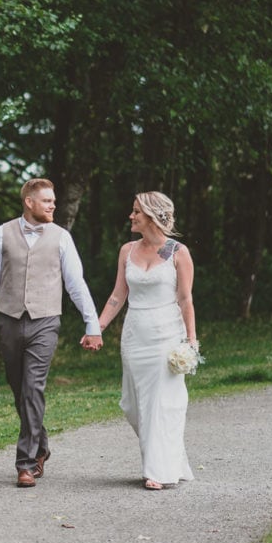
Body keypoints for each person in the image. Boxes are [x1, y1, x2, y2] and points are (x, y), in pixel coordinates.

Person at [0, 178, 102, 488]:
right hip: (9, 321)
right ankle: (41, 443)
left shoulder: (61, 238)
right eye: (46, 200)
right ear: (29, 202)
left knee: (33, 388)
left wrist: (93, 324)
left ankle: (26, 463)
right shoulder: (0, 234)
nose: (52, 205)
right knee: (19, 388)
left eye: (54, 200)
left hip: (46, 321)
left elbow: (76, 284)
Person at [97, 191, 197, 490]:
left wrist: (191, 340)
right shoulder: (127, 250)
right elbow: (118, 295)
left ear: (152, 216)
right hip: (134, 334)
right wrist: (97, 327)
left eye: (136, 212)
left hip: (166, 334)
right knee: (132, 404)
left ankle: (158, 470)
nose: (131, 216)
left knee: (160, 404)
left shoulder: (178, 252)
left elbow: (185, 298)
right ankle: (171, 459)